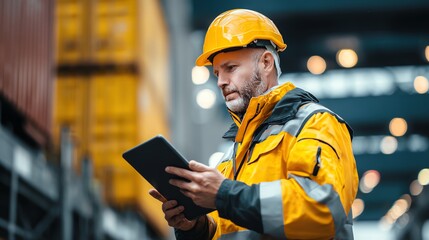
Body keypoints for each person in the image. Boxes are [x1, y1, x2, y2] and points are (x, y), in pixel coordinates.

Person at [149, 9, 358, 240]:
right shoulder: (233, 157)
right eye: (217, 72)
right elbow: (228, 231)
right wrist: (195, 226)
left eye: (231, 68)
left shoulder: (315, 124)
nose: (220, 82)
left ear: (266, 63)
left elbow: (323, 209)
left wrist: (225, 195)